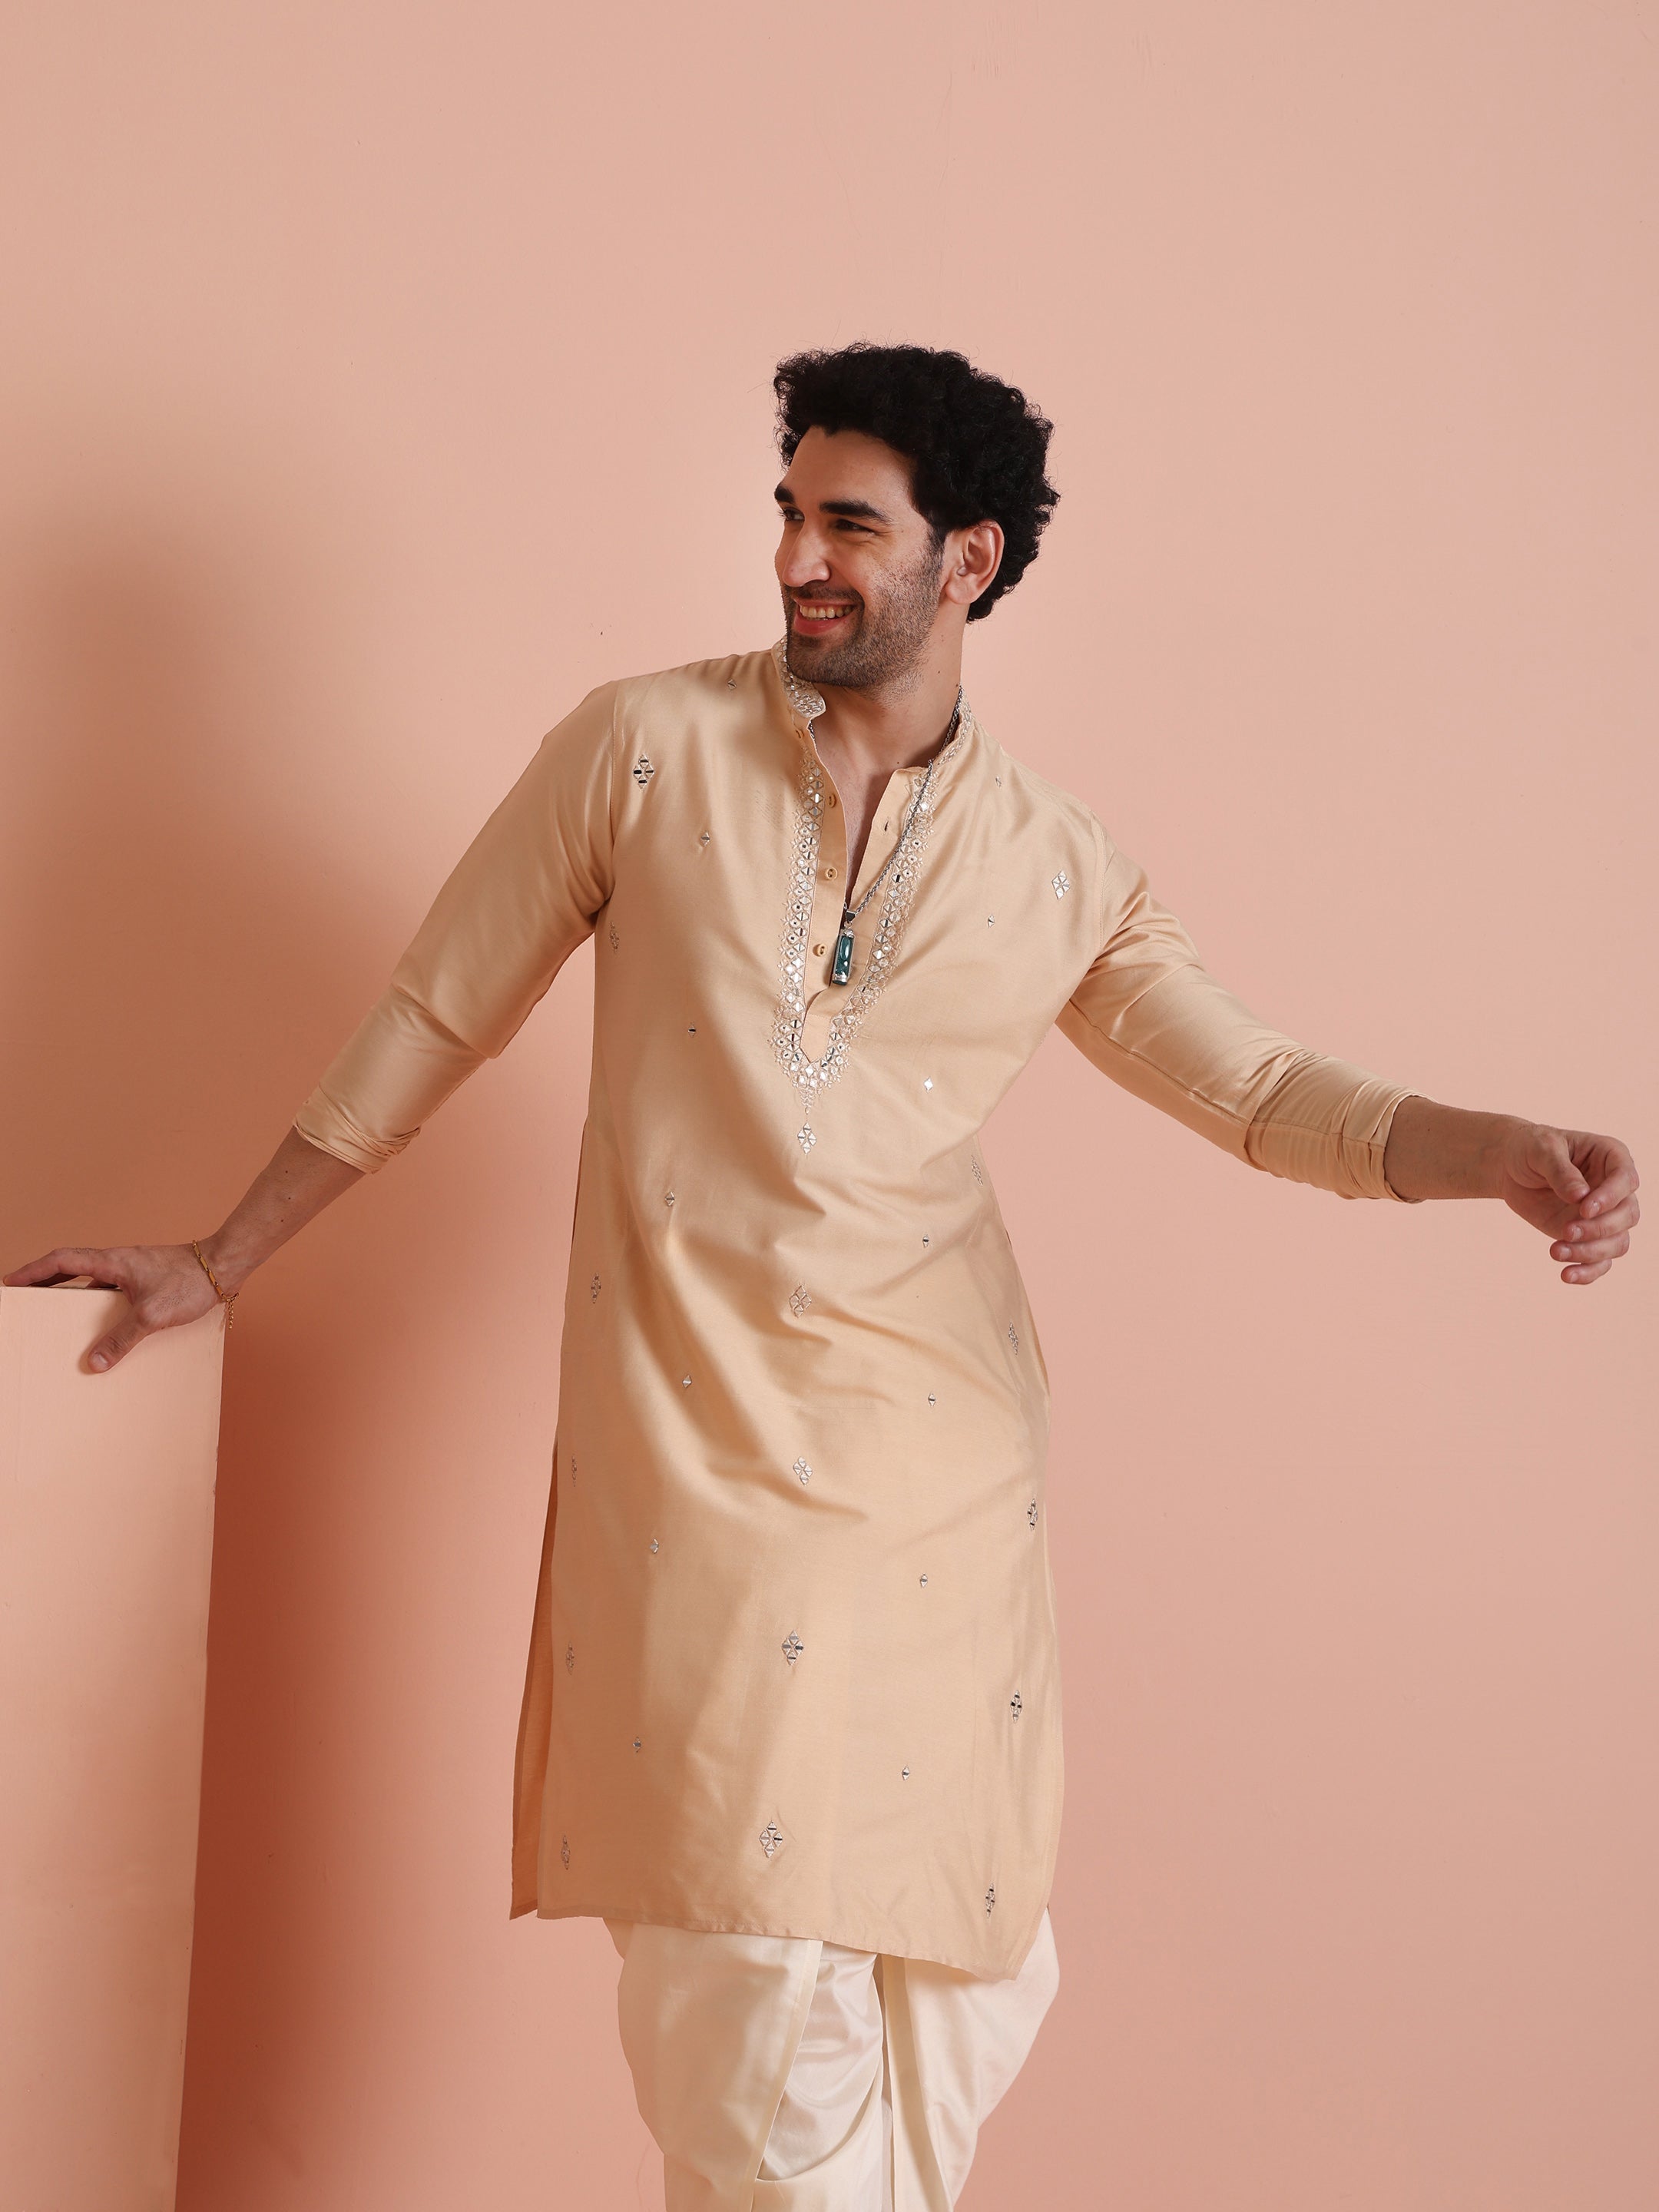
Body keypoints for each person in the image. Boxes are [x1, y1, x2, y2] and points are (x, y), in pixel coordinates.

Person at [7, 343, 1639, 2211]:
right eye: (790, 514)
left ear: (971, 560)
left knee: (960, 1980)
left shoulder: (1057, 865)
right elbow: (438, 1012)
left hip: (942, 1476)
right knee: (747, 1992)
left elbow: (1261, 1092)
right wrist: (224, 1256)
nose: (799, 557)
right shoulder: (641, 750)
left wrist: (1498, 1153)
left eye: (851, 524)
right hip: (698, 1464)